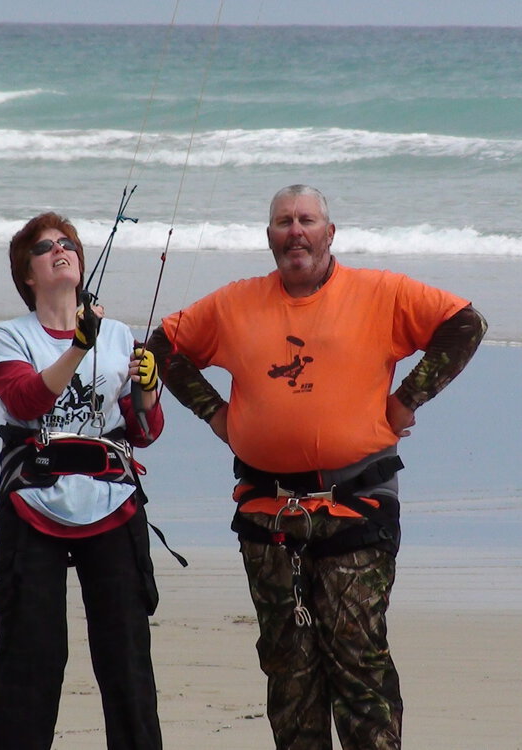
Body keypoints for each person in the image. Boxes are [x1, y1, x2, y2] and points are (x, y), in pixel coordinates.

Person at [145, 185, 486, 750]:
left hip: (357, 507)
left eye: (307, 220)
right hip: (267, 514)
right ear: (269, 237)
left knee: (358, 667)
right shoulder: (234, 303)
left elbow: (466, 324)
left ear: (330, 233)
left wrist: (408, 399)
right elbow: (161, 349)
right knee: (290, 674)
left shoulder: (380, 292)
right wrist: (214, 413)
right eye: (283, 222)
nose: (295, 231)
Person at [0, 211, 165, 750]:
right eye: (45, 248)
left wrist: (148, 389)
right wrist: (79, 347)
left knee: (126, 656)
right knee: (31, 656)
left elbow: (144, 431)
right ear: (28, 275)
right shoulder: (8, 336)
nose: (59, 250)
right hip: (34, 504)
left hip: (113, 503)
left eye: (67, 244)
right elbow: (24, 400)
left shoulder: (119, 335)